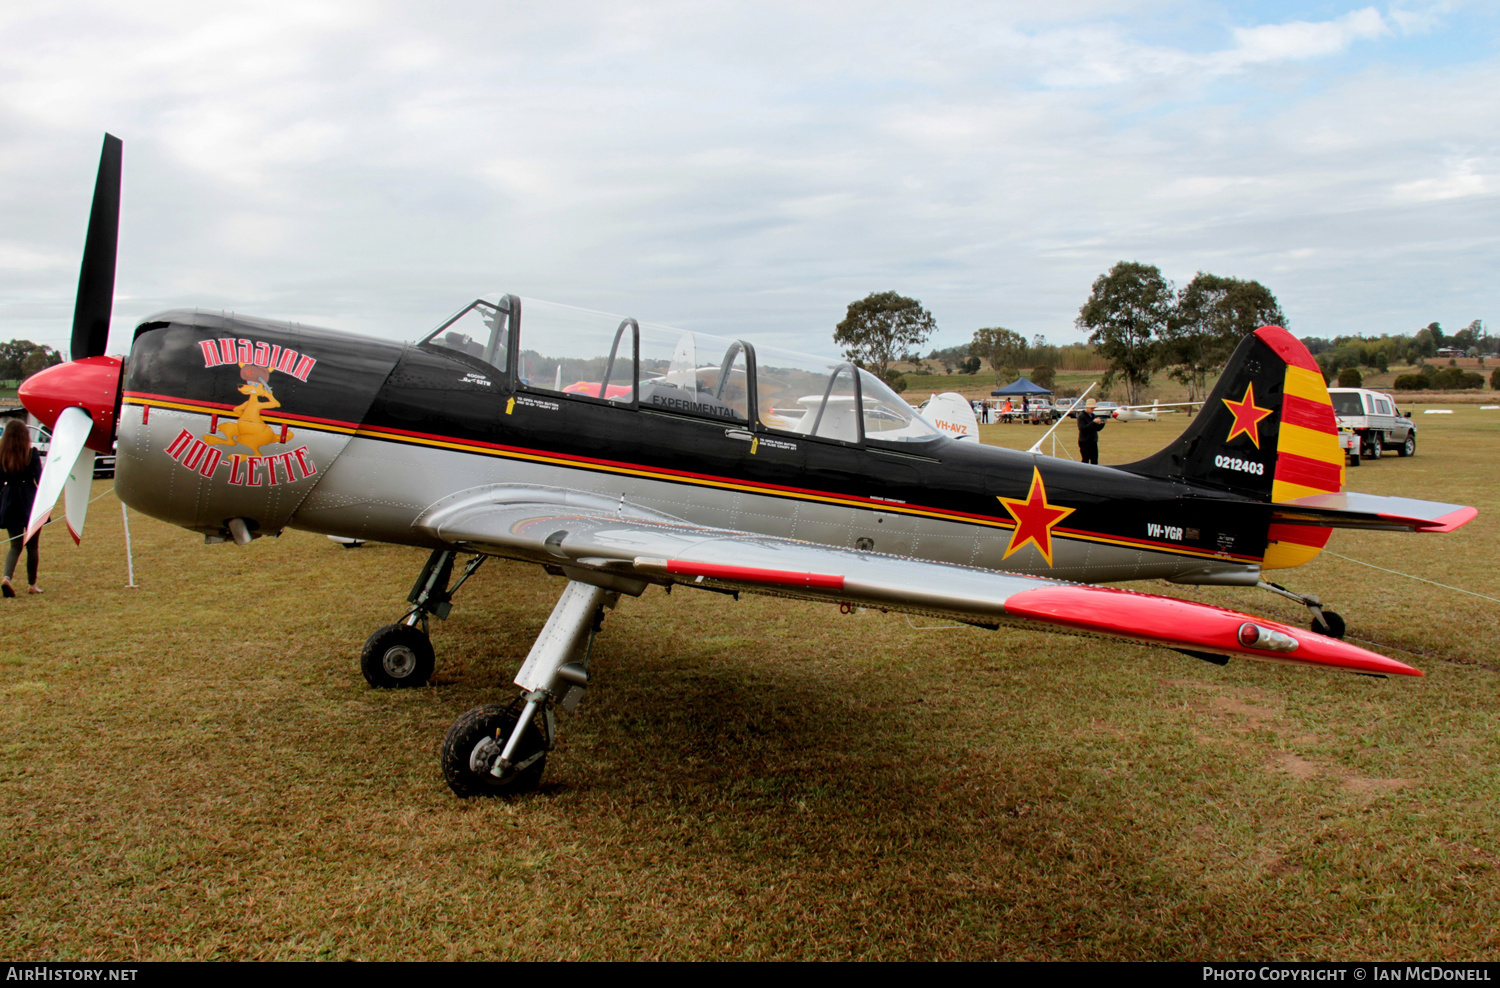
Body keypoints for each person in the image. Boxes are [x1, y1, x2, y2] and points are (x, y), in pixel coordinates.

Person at [0, 418, 44, 597]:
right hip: (29, 498)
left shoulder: (2, 455)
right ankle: (32, 584)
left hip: (9, 498)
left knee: (15, 545)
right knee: (32, 546)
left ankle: (6, 578)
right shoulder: (31, 453)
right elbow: (40, 479)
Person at [1076, 398, 1107, 465]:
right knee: (1085, 460)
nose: (1093, 410)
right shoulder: (1081, 416)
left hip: (1093, 440)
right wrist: (1093, 422)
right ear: (1087, 407)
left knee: (1094, 460)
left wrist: (1102, 423)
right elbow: (1083, 429)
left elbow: (1097, 429)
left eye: (1093, 408)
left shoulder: (1093, 415)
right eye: (1091, 408)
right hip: (1085, 441)